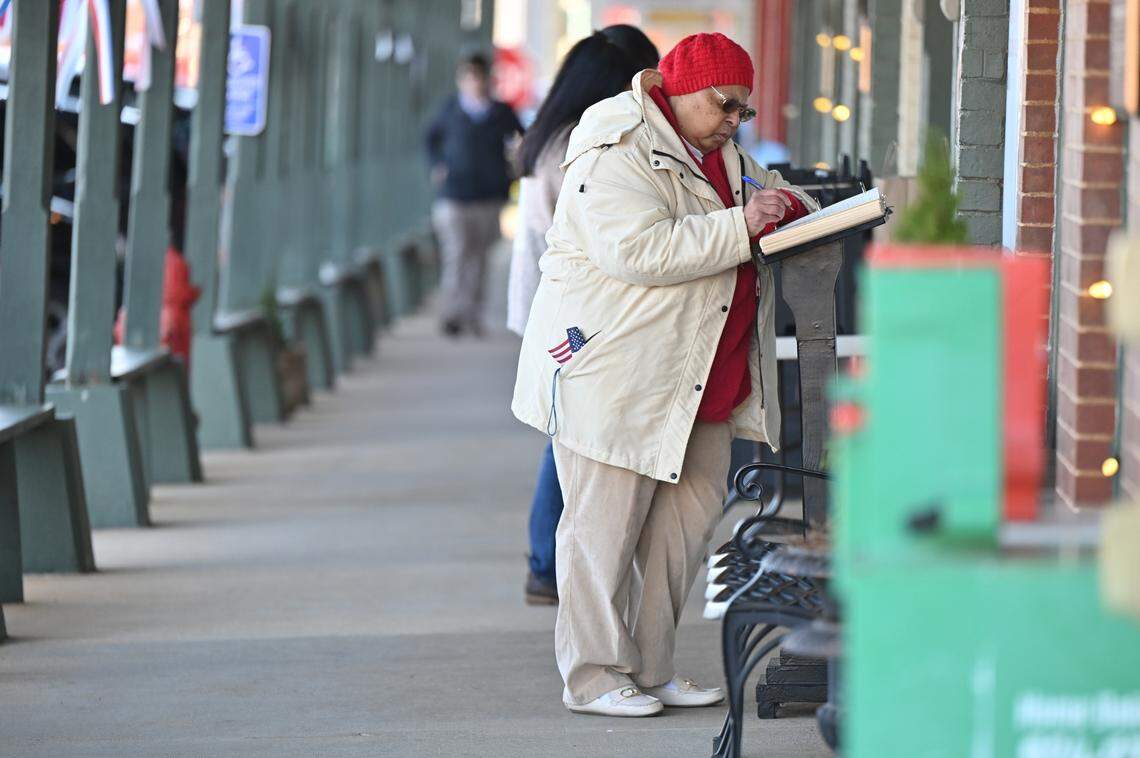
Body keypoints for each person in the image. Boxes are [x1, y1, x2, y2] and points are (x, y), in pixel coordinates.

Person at [511, 33, 817, 717]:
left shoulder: (724, 152)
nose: (738, 120)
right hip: (618, 374)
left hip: (706, 377)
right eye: (725, 105)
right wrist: (745, 225)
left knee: (677, 539)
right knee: (602, 534)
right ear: (679, 92)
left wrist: (788, 208)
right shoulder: (614, 147)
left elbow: (776, 195)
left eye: (744, 109)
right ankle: (593, 678)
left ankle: (650, 669)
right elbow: (637, 249)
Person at [508, 26, 661, 607]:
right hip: (578, 312)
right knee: (570, 440)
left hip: (550, 307)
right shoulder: (586, 143)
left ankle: (544, 562)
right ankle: (546, 563)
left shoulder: (550, 140)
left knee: (564, 435)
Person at [426, 52, 523, 337]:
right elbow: (429, 139)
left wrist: (512, 171)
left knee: (479, 257)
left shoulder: (501, 113)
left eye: (478, 77)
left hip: (488, 195)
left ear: (487, 79)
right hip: (454, 195)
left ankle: (472, 313)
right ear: (461, 80)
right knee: (456, 253)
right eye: (468, 78)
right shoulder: (450, 109)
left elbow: (524, 139)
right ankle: (453, 311)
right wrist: (437, 167)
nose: (474, 83)